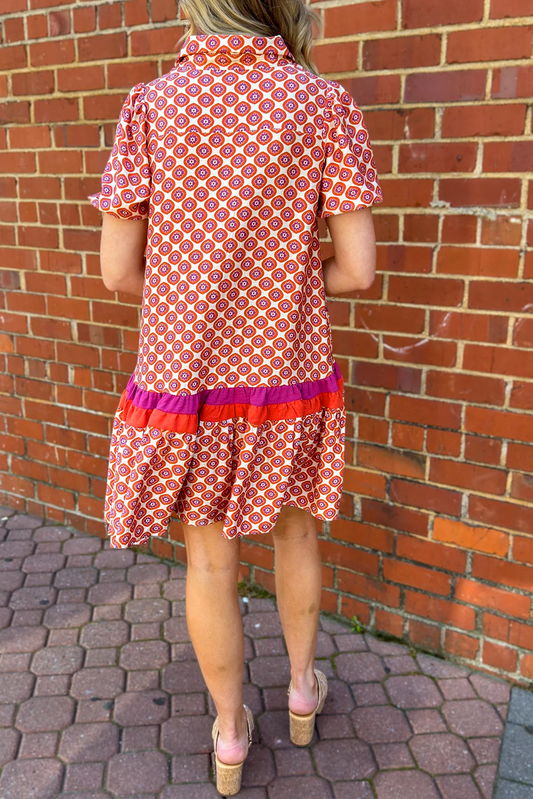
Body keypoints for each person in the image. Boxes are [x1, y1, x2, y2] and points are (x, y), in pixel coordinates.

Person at [88, 0, 382, 793]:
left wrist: (198, 298)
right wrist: (275, 290)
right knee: (296, 531)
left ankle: (228, 731)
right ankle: (301, 689)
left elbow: (117, 271)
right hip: (287, 369)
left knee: (210, 558)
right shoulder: (323, 103)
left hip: (187, 380)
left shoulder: (152, 105)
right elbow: (357, 269)